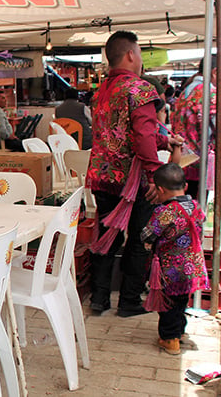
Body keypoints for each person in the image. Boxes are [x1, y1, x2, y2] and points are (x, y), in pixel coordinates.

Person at [85, 30, 182, 317]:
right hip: (133, 180)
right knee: (140, 239)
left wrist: (165, 141)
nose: (140, 59)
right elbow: (142, 135)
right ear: (130, 54)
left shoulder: (100, 91)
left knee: (105, 237)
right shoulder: (140, 89)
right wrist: (154, 175)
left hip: (102, 176)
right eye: (138, 53)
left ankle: (99, 299)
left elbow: (122, 131)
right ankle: (128, 301)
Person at [140, 163, 209, 355]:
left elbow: (147, 235)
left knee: (168, 305)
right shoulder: (195, 207)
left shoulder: (165, 212)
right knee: (180, 302)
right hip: (192, 266)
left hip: (170, 270)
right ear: (185, 186)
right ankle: (180, 332)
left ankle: (170, 340)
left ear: (160, 190)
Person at [170, 55, 217, 199]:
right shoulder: (209, 93)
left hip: (181, 161)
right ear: (214, 72)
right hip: (199, 164)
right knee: (196, 209)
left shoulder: (186, 91)